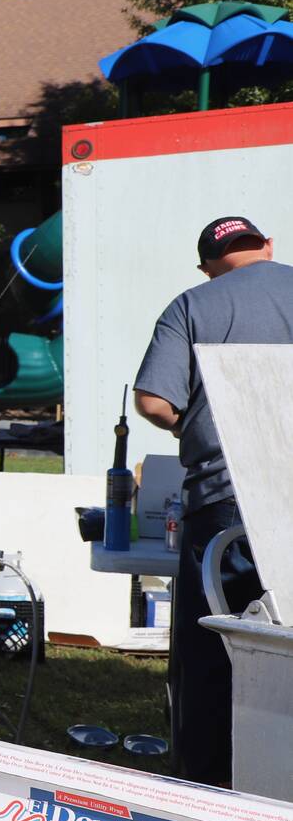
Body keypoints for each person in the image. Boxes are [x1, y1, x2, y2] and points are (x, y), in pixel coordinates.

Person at [134, 215, 293, 788]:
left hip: (227, 502)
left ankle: (210, 787)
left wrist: (194, 425)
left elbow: (153, 401)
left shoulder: (194, 304)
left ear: (208, 265)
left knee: (214, 651)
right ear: (268, 246)